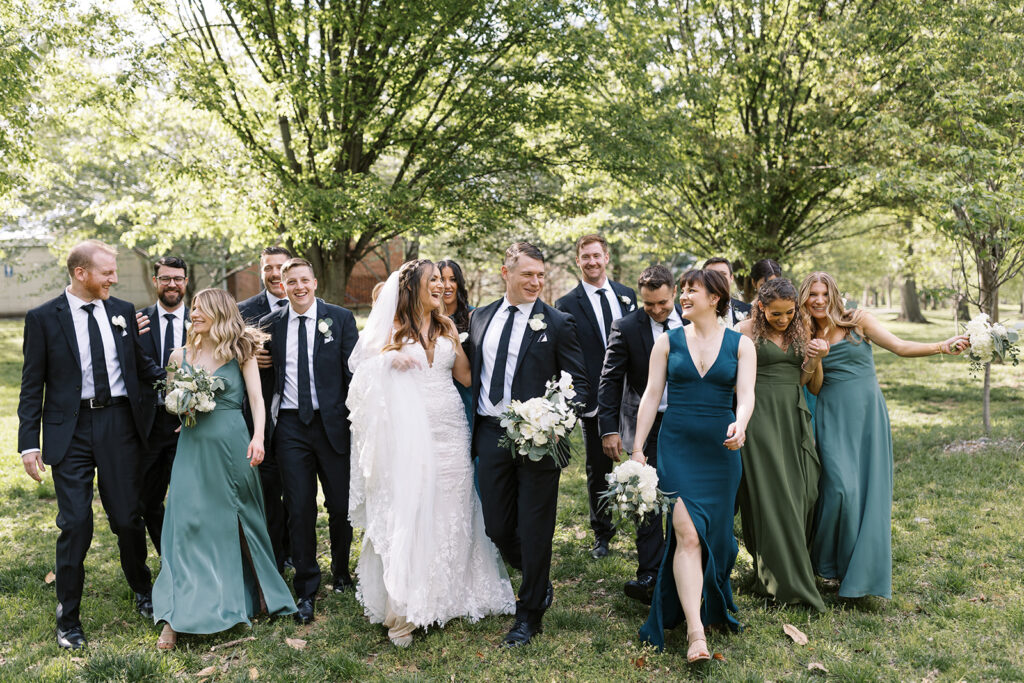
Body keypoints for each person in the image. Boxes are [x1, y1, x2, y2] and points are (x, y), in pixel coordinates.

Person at [347, 259, 515, 647]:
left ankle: (450, 595)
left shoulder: (446, 326)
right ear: (413, 288)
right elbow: (360, 375)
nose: (441, 286)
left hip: (451, 427)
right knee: (413, 507)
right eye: (433, 281)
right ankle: (405, 606)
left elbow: (467, 376)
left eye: (443, 280)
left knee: (453, 507)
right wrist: (388, 360)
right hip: (408, 434)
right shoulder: (391, 328)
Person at [17, 240, 164, 650]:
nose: (114, 279)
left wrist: (182, 383)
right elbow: (31, 387)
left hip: (120, 425)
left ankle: (143, 591)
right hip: (71, 430)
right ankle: (68, 620)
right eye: (107, 273)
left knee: (128, 518)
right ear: (81, 273)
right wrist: (29, 444)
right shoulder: (43, 318)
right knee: (75, 524)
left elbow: (142, 366)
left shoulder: (122, 312)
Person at [799, 272, 968, 600]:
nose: (818, 300)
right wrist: (815, 357)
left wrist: (941, 347)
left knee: (866, 489)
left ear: (833, 294)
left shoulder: (857, 321)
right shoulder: (805, 332)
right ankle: (827, 565)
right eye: (811, 295)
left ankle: (853, 574)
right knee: (838, 488)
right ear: (804, 298)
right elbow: (814, 386)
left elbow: (900, 347)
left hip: (867, 413)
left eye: (823, 293)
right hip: (832, 414)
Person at [153, 288, 296, 649]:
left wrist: (259, 437)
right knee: (183, 524)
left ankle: (254, 593)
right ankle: (174, 615)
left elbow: (257, 400)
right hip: (192, 446)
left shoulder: (241, 351)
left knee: (234, 520)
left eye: (200, 309)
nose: (194, 315)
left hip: (233, 445)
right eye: (194, 310)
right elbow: (170, 400)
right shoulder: (178, 354)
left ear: (219, 312)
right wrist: (182, 404)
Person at [467, 242, 590, 647]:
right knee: (497, 524)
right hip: (490, 432)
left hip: (540, 439)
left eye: (540, 275)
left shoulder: (558, 322)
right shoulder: (480, 317)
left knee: (537, 527)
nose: (536, 282)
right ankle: (533, 571)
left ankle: (530, 610)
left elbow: (580, 385)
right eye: (527, 275)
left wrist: (554, 420)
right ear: (506, 273)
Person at [633, 268, 755, 661]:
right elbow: (651, 397)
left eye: (691, 290)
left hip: (722, 452)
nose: (684, 296)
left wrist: (742, 422)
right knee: (685, 534)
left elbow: (746, 396)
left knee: (715, 540)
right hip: (678, 447)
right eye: (683, 291)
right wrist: (638, 450)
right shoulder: (667, 343)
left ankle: (709, 598)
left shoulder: (741, 345)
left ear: (715, 298)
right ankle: (695, 633)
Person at [260, 258, 359, 624]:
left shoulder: (341, 319)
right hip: (290, 426)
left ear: (315, 282)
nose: (299, 287)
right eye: (291, 281)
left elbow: (355, 375)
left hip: (332, 424)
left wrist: (356, 423)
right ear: (282, 286)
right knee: (299, 506)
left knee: (339, 504)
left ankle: (341, 571)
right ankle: (306, 586)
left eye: (305, 280)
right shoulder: (270, 324)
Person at [734, 278, 827, 611]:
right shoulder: (743, 331)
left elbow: (810, 384)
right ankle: (786, 583)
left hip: (793, 415)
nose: (784, 319)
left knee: (806, 493)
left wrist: (815, 359)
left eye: (790, 312)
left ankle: (775, 570)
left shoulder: (801, 329)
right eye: (776, 314)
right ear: (761, 307)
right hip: (759, 419)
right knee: (774, 498)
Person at [597, 264, 685, 604]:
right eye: (649, 304)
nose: (657, 310)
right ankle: (649, 572)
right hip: (643, 423)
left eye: (662, 303)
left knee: (680, 492)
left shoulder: (693, 323)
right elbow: (610, 378)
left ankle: (683, 565)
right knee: (646, 493)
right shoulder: (626, 326)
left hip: (684, 420)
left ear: (674, 293)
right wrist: (609, 428)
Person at [555, 234, 636, 560]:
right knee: (598, 468)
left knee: (643, 456)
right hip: (594, 400)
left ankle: (647, 517)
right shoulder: (566, 304)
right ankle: (602, 533)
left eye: (596, 256)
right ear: (579, 261)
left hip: (633, 394)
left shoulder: (628, 296)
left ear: (606, 257)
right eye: (585, 257)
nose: (591, 261)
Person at [237, 246, 292, 571]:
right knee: (268, 490)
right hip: (260, 418)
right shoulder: (245, 311)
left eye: (280, 267)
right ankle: (275, 555)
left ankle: (299, 549)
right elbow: (226, 351)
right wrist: (245, 355)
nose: (274, 274)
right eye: (268, 268)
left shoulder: (310, 302)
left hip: (299, 414)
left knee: (297, 491)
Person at [137, 256, 190, 555]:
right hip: (150, 422)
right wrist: (170, 381)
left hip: (192, 422)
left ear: (186, 282)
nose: (172, 284)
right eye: (166, 278)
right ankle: (167, 555)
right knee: (148, 499)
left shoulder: (201, 319)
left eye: (178, 278)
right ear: (155, 282)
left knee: (188, 497)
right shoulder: (137, 321)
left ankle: (189, 558)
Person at [436, 258, 474, 426]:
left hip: (466, 392)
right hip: (436, 393)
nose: (447, 285)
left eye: (452, 279)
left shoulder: (474, 317)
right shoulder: (426, 320)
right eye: (441, 279)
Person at [703, 257, 751, 328]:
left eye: (723, 274)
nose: (718, 278)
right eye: (712, 275)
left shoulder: (748, 310)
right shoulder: (692, 312)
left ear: (731, 278)